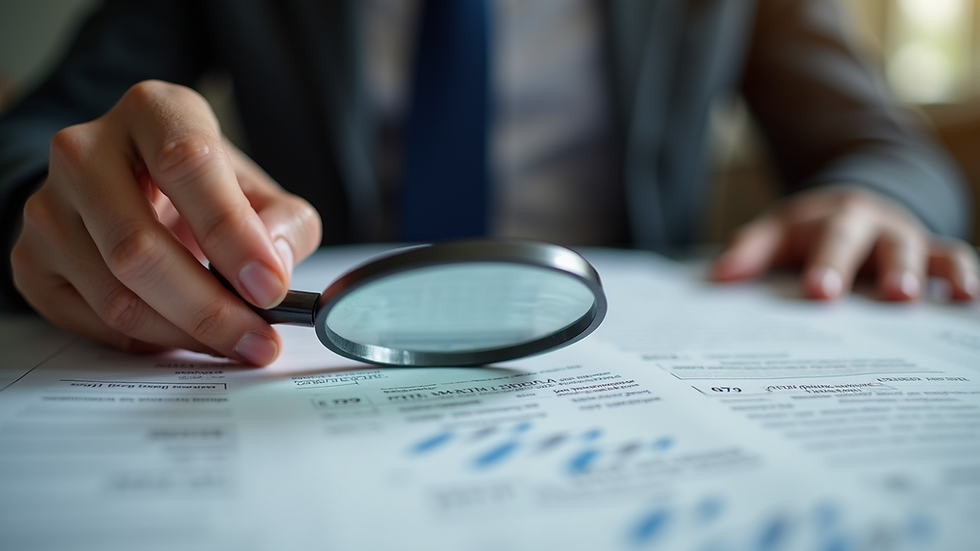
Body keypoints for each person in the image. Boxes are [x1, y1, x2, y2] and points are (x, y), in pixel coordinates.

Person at [0, 0, 977, 366]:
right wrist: (60, 213)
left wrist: (876, 198)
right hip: (306, 339)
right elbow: (44, 139)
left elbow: (883, 145)